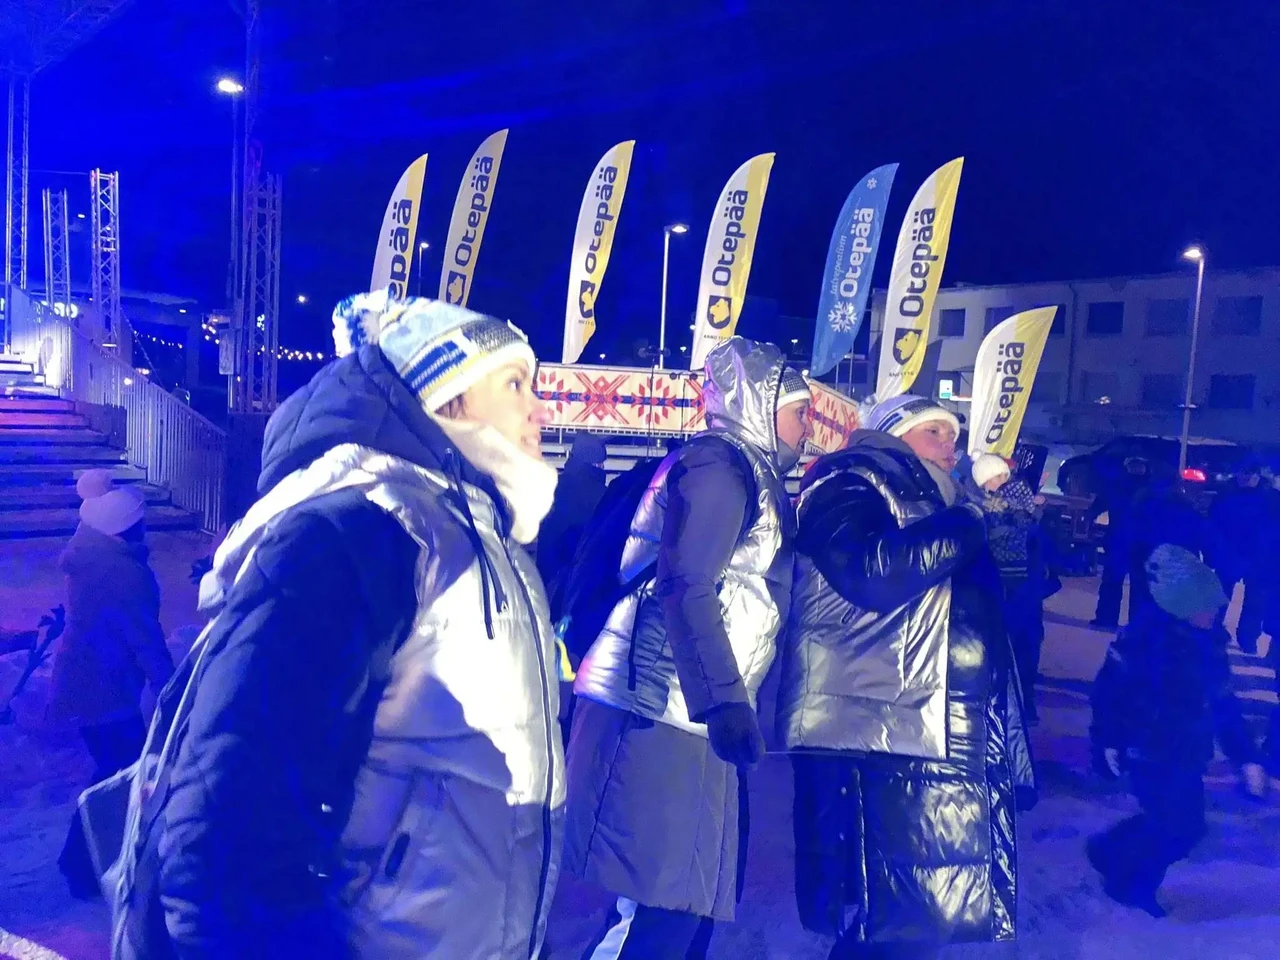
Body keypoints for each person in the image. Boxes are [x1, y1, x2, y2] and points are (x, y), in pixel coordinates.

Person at [140, 294, 564, 959]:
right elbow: (227, 838)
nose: (541, 410)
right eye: (515, 384)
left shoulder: (483, 539)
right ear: (448, 399)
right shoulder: (362, 532)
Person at [562, 339, 812, 958]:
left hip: (690, 713)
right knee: (662, 910)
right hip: (659, 707)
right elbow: (685, 583)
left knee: (686, 907)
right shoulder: (719, 467)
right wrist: (723, 702)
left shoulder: (750, 473)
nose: (808, 428)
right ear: (760, 402)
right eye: (799, 411)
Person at [777, 394, 1035, 960]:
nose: (951, 446)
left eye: (953, 435)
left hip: (921, 729)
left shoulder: (933, 499)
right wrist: (969, 522)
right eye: (934, 431)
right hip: (869, 729)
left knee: (915, 916)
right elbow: (872, 571)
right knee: (890, 922)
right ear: (893, 433)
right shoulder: (849, 481)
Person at [1088, 544, 1266, 917]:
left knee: (1188, 827)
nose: (1215, 613)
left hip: (1188, 749)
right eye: (1207, 606)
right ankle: (1131, 883)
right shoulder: (1145, 640)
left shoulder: (1210, 644)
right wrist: (1107, 740)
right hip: (1147, 747)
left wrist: (1245, 757)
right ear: (1182, 604)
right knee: (1172, 826)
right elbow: (1110, 693)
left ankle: (1111, 850)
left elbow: (1223, 703)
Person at [50, 483, 173, 899]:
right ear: (127, 528)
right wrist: (170, 688)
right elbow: (144, 637)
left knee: (116, 771)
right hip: (105, 685)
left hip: (88, 680)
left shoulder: (94, 557)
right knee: (120, 775)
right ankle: (81, 864)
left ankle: (85, 862)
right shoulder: (123, 573)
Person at [973, 452, 1047, 722]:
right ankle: (1023, 700)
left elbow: (1015, 528)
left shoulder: (1003, 500)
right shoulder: (1009, 499)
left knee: (1013, 638)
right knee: (1023, 639)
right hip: (1021, 579)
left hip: (1009, 579)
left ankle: (1016, 700)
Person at [1208, 456, 1280, 653]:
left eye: (1249, 474)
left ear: (1258, 475)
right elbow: (1214, 523)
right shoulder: (1226, 493)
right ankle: (1213, 634)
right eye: (1242, 473)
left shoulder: (1271, 498)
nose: (1245, 478)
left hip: (1260, 558)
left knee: (1255, 603)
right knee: (1219, 598)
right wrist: (1213, 550)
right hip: (1229, 554)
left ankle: (1247, 639)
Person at [537, 432, 609, 587]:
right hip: (578, 582)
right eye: (600, 464)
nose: (603, 468)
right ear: (594, 464)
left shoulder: (554, 486)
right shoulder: (600, 495)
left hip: (547, 578)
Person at [1091, 456, 1150, 628]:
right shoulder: (1146, 489)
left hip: (1128, 543)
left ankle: (1111, 620)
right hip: (1129, 543)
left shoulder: (1122, 486)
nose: (1137, 468)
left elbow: (1099, 504)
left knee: (1125, 584)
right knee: (1124, 583)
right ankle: (1115, 620)